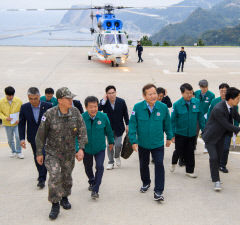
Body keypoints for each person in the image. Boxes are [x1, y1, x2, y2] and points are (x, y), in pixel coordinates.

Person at [35, 87, 88, 220]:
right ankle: (55, 204)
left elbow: (82, 132)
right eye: (68, 98)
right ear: (59, 100)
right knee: (54, 176)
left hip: (69, 153)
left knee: (66, 177)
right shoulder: (49, 114)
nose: (71, 100)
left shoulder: (75, 112)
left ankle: (64, 197)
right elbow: (40, 135)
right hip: (52, 152)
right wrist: (39, 152)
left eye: (71, 98)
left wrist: (81, 149)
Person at [128, 84, 173, 201]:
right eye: (150, 94)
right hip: (143, 143)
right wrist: (133, 141)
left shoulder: (162, 107)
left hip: (157, 143)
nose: (154, 96)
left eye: (155, 93)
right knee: (143, 164)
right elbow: (132, 125)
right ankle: (146, 182)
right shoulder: (137, 108)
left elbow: (167, 123)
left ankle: (158, 191)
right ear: (144, 96)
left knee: (159, 164)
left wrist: (169, 137)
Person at [202, 87, 240, 191]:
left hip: (221, 136)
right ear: (231, 98)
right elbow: (226, 124)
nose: (239, 100)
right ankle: (216, 181)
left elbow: (237, 118)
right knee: (214, 158)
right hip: (211, 137)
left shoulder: (232, 107)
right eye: (238, 98)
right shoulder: (219, 108)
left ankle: (214, 174)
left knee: (217, 158)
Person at [81, 96, 114, 199]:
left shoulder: (103, 116)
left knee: (100, 166)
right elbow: (77, 134)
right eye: (91, 107)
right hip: (86, 148)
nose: (93, 109)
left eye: (95, 106)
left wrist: (111, 142)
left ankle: (95, 189)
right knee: (88, 167)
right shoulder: (81, 118)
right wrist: (78, 148)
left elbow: (109, 130)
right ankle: (91, 180)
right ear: (86, 107)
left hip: (100, 148)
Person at [18, 87, 52, 189]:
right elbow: (22, 124)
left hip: (47, 137)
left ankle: (42, 178)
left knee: (44, 155)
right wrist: (22, 139)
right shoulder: (24, 107)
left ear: (39, 96)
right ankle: (41, 176)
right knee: (37, 156)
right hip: (33, 137)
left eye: (35, 98)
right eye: (30, 99)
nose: (33, 101)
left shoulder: (48, 106)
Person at [170, 83, 205, 178]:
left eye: (191, 92)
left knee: (190, 152)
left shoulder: (196, 102)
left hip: (192, 133)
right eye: (187, 93)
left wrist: (204, 130)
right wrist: (171, 135)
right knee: (179, 151)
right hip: (180, 133)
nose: (189, 95)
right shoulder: (177, 105)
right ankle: (173, 163)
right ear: (182, 93)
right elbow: (172, 121)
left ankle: (189, 171)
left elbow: (201, 117)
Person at [207, 83, 237, 173]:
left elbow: (236, 118)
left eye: (225, 91)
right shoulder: (214, 101)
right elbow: (209, 115)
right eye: (221, 91)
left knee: (225, 148)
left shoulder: (233, 103)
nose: (223, 93)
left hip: (227, 130)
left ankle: (222, 165)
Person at [99, 85, 129, 170]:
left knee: (118, 144)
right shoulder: (104, 102)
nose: (112, 95)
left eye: (113, 93)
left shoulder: (121, 102)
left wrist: (127, 124)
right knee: (109, 145)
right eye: (109, 93)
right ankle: (111, 162)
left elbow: (125, 114)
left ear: (116, 93)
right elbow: (98, 110)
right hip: (108, 128)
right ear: (106, 94)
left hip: (119, 127)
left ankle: (117, 156)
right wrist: (104, 100)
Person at [0, 86, 23, 158]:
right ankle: (13, 151)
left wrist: (19, 119)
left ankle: (19, 152)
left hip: (16, 123)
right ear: (6, 94)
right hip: (7, 124)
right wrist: (5, 118)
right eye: (9, 96)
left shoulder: (18, 101)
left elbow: (22, 111)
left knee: (18, 136)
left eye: (12, 95)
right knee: (10, 140)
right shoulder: (1, 102)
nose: (11, 97)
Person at [194, 80, 215, 152]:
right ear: (200, 87)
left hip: (206, 116)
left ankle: (207, 146)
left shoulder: (211, 95)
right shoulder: (196, 93)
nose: (205, 89)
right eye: (203, 87)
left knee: (206, 132)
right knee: (195, 132)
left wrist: (208, 115)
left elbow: (211, 106)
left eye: (206, 87)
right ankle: (194, 146)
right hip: (197, 116)